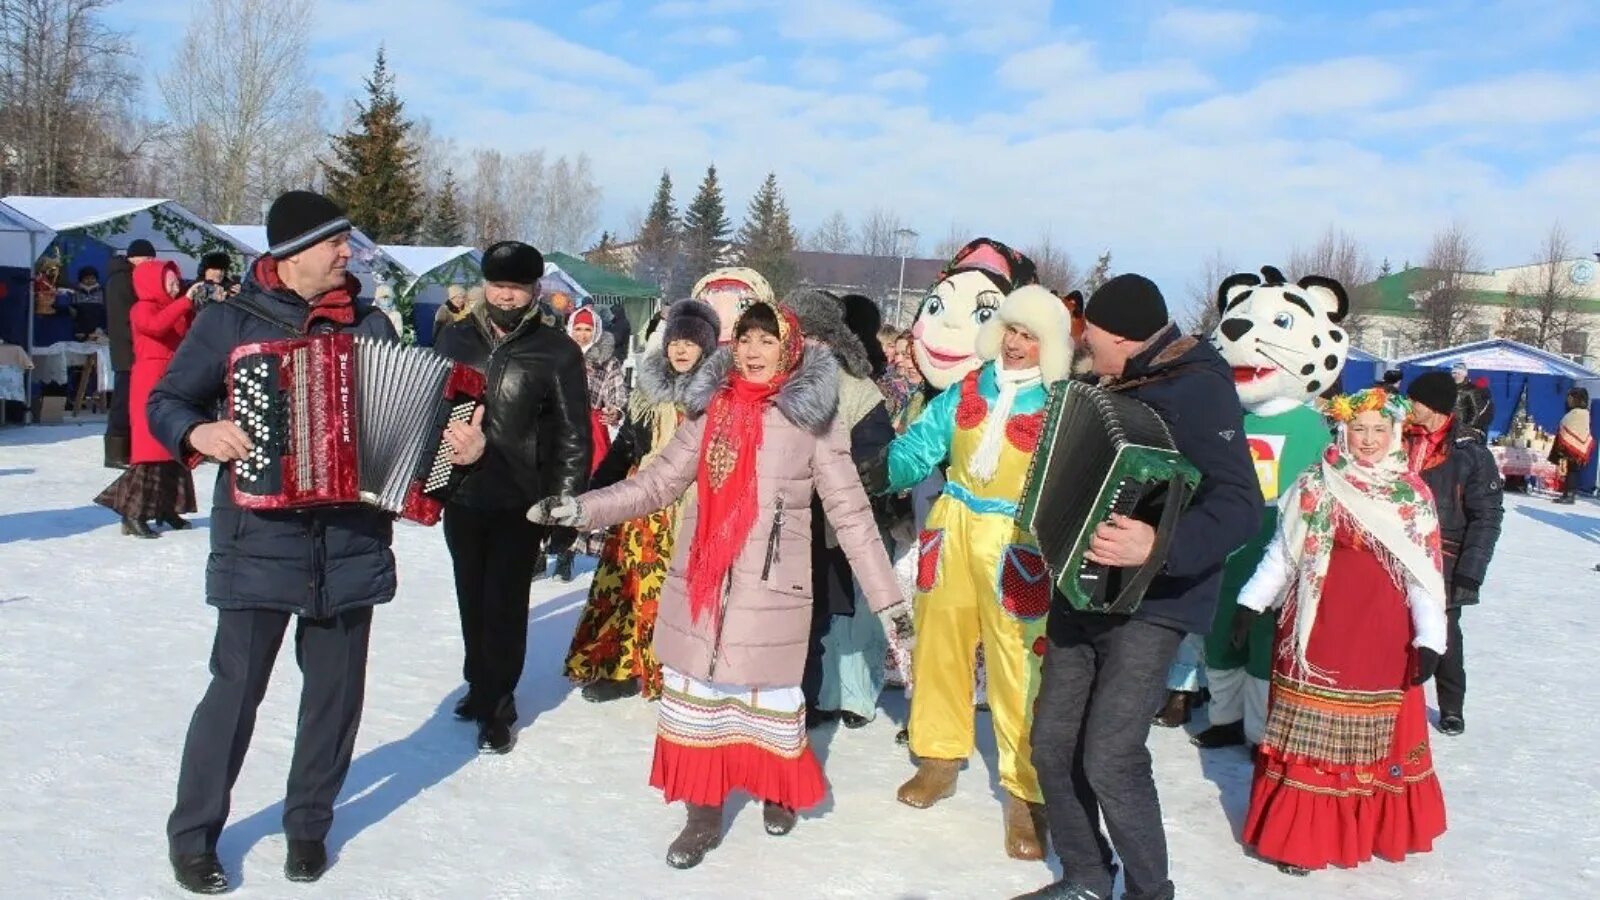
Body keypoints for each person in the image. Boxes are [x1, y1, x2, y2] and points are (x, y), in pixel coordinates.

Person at [149, 191, 486, 893]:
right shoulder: (228, 321)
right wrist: (196, 432)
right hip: (258, 537)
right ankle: (194, 835)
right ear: (293, 252)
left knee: (335, 697)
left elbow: (423, 425)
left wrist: (459, 451)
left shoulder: (371, 323)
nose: (348, 254)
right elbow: (167, 401)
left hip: (351, 539)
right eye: (335, 243)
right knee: (234, 693)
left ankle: (308, 826)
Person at [529, 301, 909, 869]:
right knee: (699, 700)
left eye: (767, 340)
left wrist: (889, 603)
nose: (754, 352)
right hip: (701, 585)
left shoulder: (814, 422)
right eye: (746, 339)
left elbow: (852, 516)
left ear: (790, 349)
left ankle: (777, 788)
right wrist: (579, 509)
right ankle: (702, 813)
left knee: (768, 702)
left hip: (771, 588)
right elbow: (656, 483)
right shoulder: (709, 412)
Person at [1020, 274, 1262, 900]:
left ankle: (1150, 892)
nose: (1083, 346)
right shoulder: (1111, 382)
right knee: (1051, 745)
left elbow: (1240, 505)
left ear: (1124, 338)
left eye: (1090, 335)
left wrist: (1158, 548)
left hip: (1153, 606)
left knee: (1111, 756)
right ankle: (1087, 877)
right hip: (1083, 590)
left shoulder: (1201, 389)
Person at [869, 285, 1073, 860]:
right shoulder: (967, 387)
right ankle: (938, 755)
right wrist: (880, 470)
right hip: (953, 523)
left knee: (1018, 663)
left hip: (1016, 539)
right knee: (939, 643)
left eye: (1029, 336)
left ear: (1049, 345)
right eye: (1010, 329)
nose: (1014, 343)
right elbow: (921, 446)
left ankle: (1025, 793)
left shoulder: (1061, 406)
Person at [1235, 387, 1449, 876]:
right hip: (1317, 629)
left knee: (1373, 735)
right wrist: (1252, 601)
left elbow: (1423, 573)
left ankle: (1364, 828)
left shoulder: (1410, 495)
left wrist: (1431, 637)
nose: (1368, 440)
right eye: (1359, 429)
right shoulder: (1317, 482)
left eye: (1378, 430)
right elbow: (1286, 551)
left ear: (1394, 433)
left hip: (1380, 635)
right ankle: (1300, 838)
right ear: (1343, 430)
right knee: (1310, 736)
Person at [432, 241, 591, 752]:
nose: (504, 295)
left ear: (535, 291)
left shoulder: (556, 351)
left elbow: (573, 434)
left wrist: (565, 503)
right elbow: (428, 408)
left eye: (516, 287)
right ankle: (479, 684)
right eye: (497, 285)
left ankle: (499, 702)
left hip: (520, 497)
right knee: (469, 597)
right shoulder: (454, 337)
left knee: (505, 602)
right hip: (461, 493)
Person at [1181, 266, 1349, 745]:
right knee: (1217, 635)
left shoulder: (1318, 428)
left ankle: (1260, 732)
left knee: (1264, 641)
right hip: (1223, 546)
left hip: (1281, 545)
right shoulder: (1225, 417)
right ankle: (1224, 719)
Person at [564, 300, 720, 703]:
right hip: (643, 509)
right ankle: (621, 667)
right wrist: (594, 495)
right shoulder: (649, 391)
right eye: (675, 342)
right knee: (627, 587)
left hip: (693, 508)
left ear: (706, 348)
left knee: (679, 595)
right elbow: (626, 447)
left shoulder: (719, 398)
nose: (681, 350)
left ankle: (675, 670)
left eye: (690, 343)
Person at [788, 289, 896, 730]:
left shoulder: (855, 388)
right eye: (798, 333)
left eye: (814, 334)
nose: (805, 343)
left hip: (822, 521)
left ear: (832, 339)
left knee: (813, 617)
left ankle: (806, 699)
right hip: (770, 520)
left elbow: (876, 455)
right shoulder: (768, 377)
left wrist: (854, 483)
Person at [1403, 371, 1504, 736]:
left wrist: (1470, 572)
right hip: (1397, 551)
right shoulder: (1397, 440)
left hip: (1444, 557)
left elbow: (1487, 516)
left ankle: (1450, 707)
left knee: (1445, 635)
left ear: (1434, 407)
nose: (1408, 405)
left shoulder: (1471, 454)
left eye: (1414, 400)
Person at [93, 260, 202, 537]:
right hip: (149, 381)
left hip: (173, 378)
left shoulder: (174, 309)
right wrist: (184, 304)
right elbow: (155, 327)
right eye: (170, 281)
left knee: (174, 446)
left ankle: (168, 507)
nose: (176, 285)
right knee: (151, 450)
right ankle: (132, 511)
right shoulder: (141, 308)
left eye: (176, 280)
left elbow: (188, 335)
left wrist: (198, 305)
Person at [544, 305, 625, 582]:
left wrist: (614, 410)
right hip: (555, 429)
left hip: (589, 431)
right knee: (548, 486)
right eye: (577, 328)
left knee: (581, 490)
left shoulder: (607, 362)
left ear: (596, 332)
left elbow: (617, 395)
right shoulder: (555, 355)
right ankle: (540, 551)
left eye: (587, 329)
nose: (581, 334)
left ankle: (568, 552)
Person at [103, 239, 156, 469]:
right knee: (123, 401)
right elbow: (124, 319)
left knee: (131, 401)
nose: (150, 263)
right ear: (134, 257)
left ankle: (129, 447)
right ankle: (115, 451)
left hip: (132, 348)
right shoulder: (121, 281)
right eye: (147, 259)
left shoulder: (128, 278)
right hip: (127, 350)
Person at [1549, 386, 1592, 505]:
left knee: (1573, 470)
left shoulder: (1580, 413)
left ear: (1578, 399)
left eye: (1571, 397)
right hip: (1573, 446)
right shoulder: (1578, 412)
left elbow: (1576, 429)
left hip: (1575, 447)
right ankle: (1566, 493)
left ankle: (1570, 495)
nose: (1569, 400)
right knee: (1570, 470)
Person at [1452, 361, 1494, 433]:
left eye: (1459, 373)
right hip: (1453, 427)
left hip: (1463, 429)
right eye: (1454, 373)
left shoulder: (1471, 390)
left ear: (1464, 375)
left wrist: (1466, 428)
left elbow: (1475, 412)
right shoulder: (1450, 387)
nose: (1456, 375)